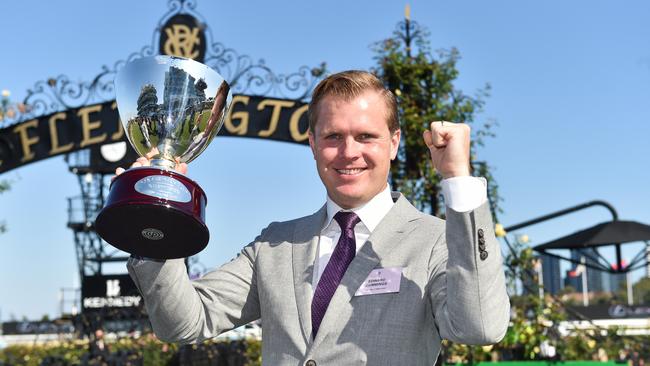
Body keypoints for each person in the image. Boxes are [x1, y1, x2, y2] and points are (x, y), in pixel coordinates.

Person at [125, 70, 510, 365]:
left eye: (366, 137)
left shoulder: (436, 240)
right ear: (312, 144)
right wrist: (156, 220)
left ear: (393, 143)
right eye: (332, 137)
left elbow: (480, 327)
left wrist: (458, 181)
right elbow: (184, 323)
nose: (348, 152)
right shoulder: (274, 245)